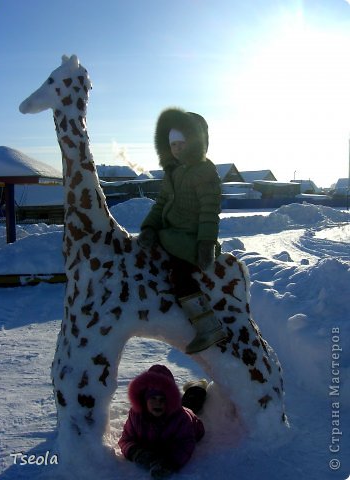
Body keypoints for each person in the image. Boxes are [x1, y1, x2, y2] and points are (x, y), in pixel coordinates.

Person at [138, 107, 227, 354]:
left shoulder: (205, 171)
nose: (177, 148)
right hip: (169, 233)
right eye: (173, 144)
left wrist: (206, 243)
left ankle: (209, 326)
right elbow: (161, 204)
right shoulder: (172, 172)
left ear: (196, 142)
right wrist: (149, 227)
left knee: (180, 276)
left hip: (191, 239)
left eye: (182, 142)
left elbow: (210, 210)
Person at [118, 365, 206, 479]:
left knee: (193, 403)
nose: (158, 403)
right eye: (153, 398)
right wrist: (136, 453)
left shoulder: (181, 418)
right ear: (145, 399)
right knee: (186, 403)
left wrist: (171, 462)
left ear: (170, 399)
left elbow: (186, 444)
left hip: (193, 425)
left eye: (163, 399)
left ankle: (197, 386)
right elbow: (126, 439)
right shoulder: (136, 415)